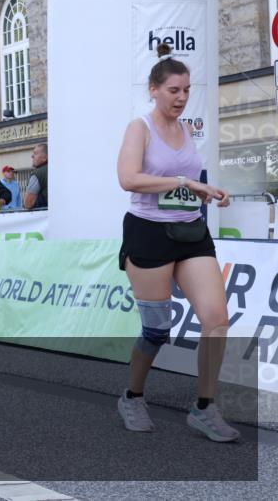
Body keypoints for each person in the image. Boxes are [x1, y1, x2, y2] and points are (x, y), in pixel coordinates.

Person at [115, 44, 238, 442]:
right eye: (173, 90)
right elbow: (129, 179)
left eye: (186, 90)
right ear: (153, 89)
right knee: (157, 330)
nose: (182, 98)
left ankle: (204, 408)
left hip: (190, 233)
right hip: (148, 232)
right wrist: (185, 182)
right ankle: (132, 396)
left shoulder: (187, 128)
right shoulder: (140, 127)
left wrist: (205, 191)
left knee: (217, 320)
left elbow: (183, 181)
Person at [24, 143, 48, 209]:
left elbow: (28, 203)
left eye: (35, 153)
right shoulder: (62, 169)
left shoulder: (37, 174)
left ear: (45, 157)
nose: (32, 156)